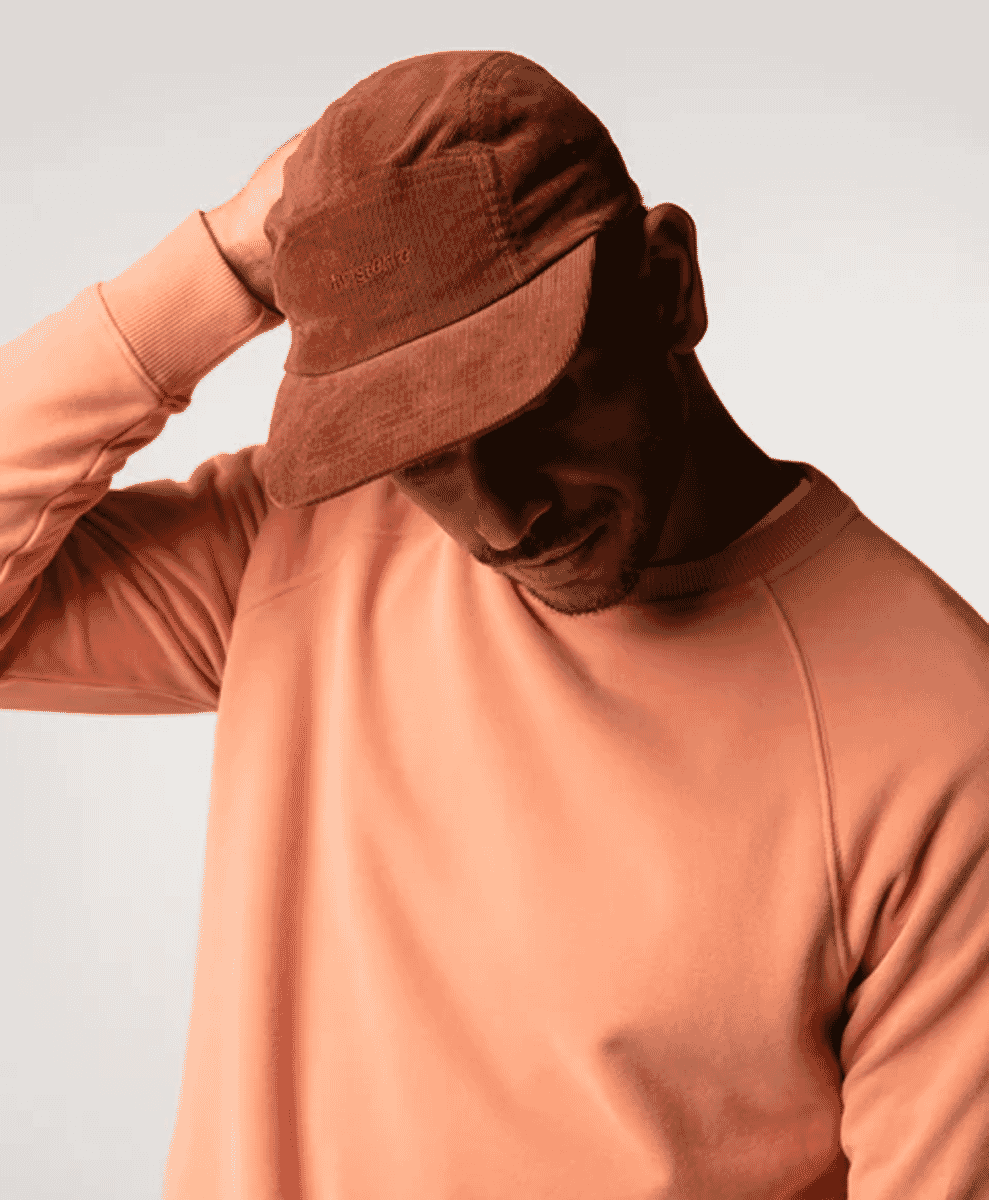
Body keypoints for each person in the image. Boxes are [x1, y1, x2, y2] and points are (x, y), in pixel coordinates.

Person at [1, 49, 987, 1200]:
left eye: (531, 405)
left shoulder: (938, 744)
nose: (501, 516)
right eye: (419, 455)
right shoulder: (301, 539)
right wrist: (210, 269)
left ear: (669, 286)